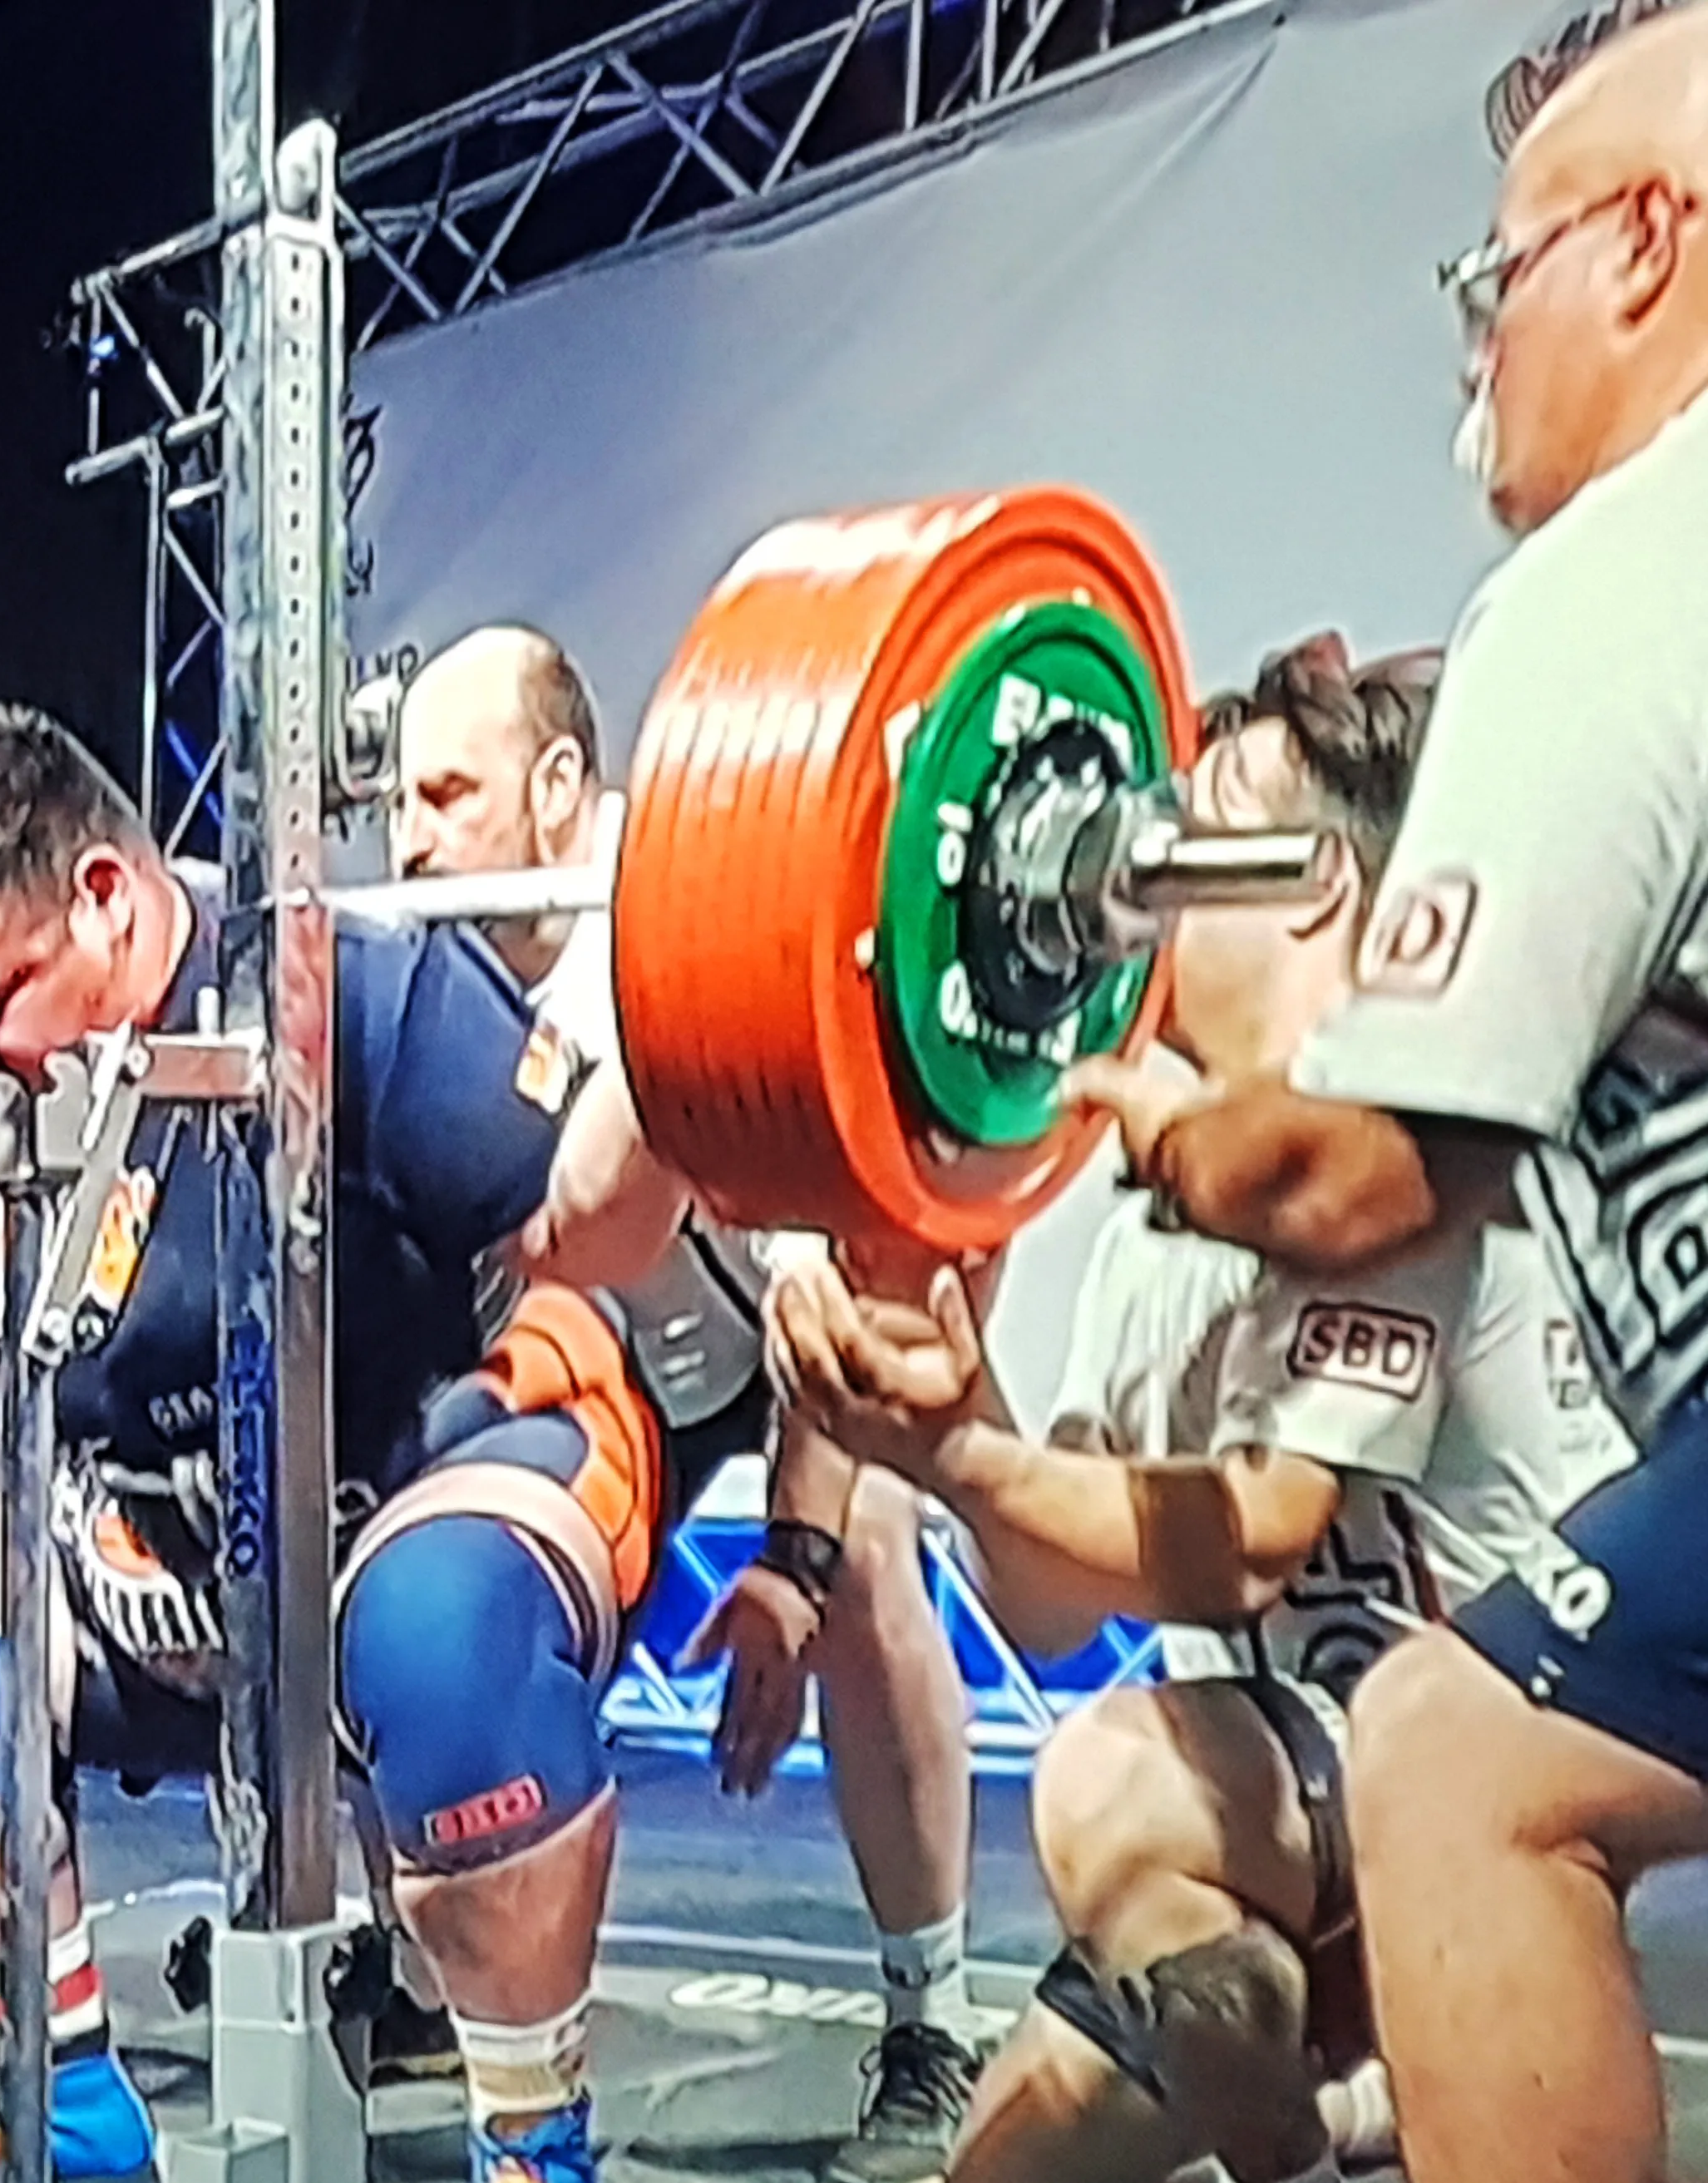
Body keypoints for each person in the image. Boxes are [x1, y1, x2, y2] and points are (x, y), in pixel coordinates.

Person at [1058, 22, 1708, 2183]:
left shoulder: (1617, 577)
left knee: (1451, 1760)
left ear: (1644, 245)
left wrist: (1128, 1111)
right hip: (1297, 1784)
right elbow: (1073, 1580)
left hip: (1399, 1701)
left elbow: (1347, 1177)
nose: (1472, 363)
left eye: (1490, 281)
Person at [778, 638, 1646, 2183]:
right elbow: (1053, 1608)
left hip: (1474, 1814)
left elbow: (1250, 1539)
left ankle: (1345, 2124)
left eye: (1197, 828)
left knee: (1109, 1784)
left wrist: (965, 1452)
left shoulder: (1402, 1148)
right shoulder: (1148, 1227)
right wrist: (955, 1422)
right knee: (1014, 2134)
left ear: (1315, 884)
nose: (1140, 875)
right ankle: (1324, 2127)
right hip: (1263, 1842)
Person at [0, 703, 676, 2183]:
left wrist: (694, 1053)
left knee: (438, 1633)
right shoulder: (19, 1106)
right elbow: (0, 1348)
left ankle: (538, 2152)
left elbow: (588, 1223)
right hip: (193, 1565)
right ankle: (71, 2114)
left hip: (423, 1489)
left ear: (105, 898)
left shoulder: (347, 985)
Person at [393, 625, 986, 2174]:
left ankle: (931, 2024)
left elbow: (841, 1303)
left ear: (562, 784)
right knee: (431, 1551)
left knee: (870, 1572)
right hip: (609, 1371)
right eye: (401, 799)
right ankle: (447, 1980)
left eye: (448, 795)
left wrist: (788, 1571)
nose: (409, 840)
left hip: (789, 1332)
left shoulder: (692, 945)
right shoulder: (437, 992)